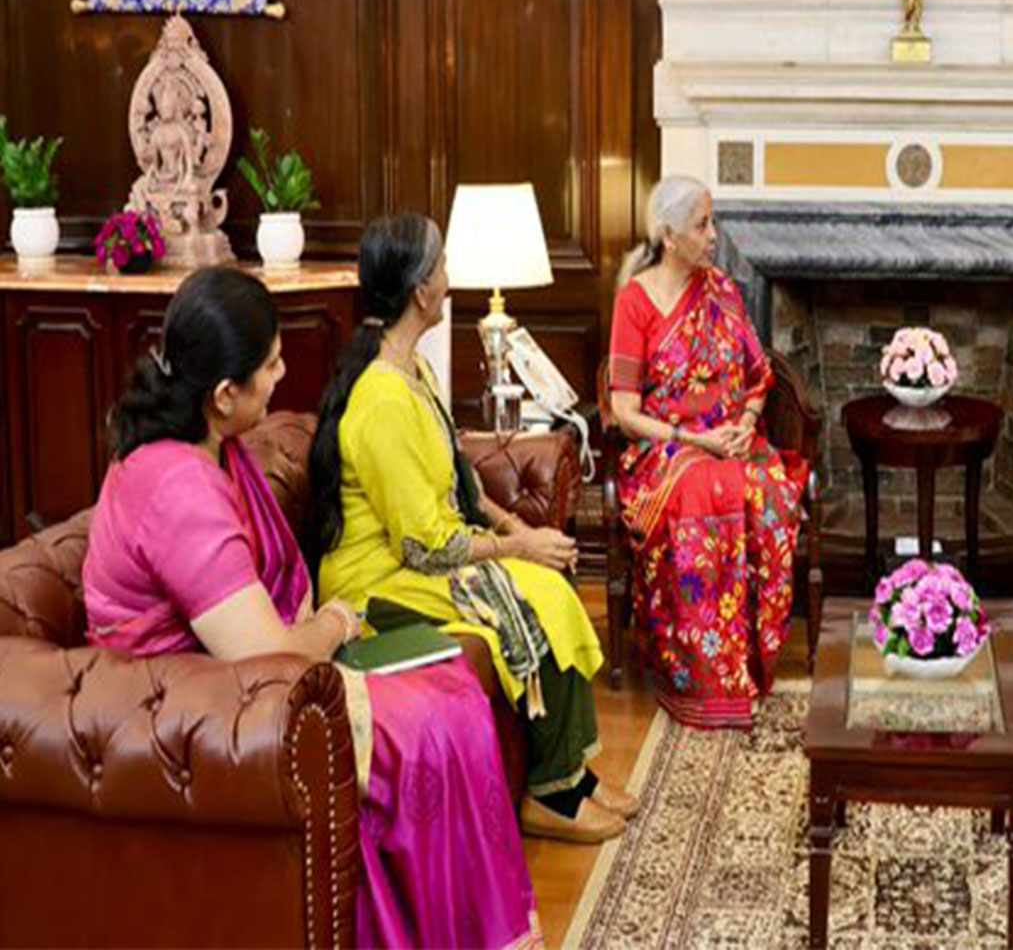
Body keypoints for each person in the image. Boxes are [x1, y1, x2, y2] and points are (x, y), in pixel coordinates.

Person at [83, 268, 541, 950]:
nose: (283, 373)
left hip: (228, 674)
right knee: (427, 728)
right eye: (269, 364)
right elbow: (266, 654)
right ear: (222, 395)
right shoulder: (176, 486)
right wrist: (337, 622)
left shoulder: (209, 448)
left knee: (453, 695)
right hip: (185, 703)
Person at [306, 213, 633, 845]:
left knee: (551, 592)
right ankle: (553, 795)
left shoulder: (413, 372)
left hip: (417, 560)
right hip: (378, 584)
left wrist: (514, 525)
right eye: (443, 267)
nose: (451, 278)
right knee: (534, 600)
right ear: (421, 292)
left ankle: (573, 775)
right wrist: (521, 548)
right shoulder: (381, 401)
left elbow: (460, 480)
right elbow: (425, 547)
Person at [608, 175, 808, 729]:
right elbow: (625, 413)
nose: (715, 235)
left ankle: (747, 662)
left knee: (768, 492)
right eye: (703, 225)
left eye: (712, 221)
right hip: (666, 453)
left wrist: (745, 423)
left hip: (730, 439)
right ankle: (703, 678)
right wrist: (694, 440)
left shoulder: (720, 288)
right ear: (671, 236)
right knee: (706, 488)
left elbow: (758, 375)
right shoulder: (636, 302)